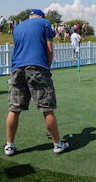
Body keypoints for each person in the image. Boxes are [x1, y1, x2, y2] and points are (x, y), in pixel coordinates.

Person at [4, 9, 69, 156]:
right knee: (47, 108)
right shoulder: (44, 23)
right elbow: (49, 48)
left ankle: (9, 146)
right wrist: (48, 67)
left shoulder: (18, 27)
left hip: (17, 68)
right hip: (37, 67)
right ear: (41, 16)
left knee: (14, 109)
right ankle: (58, 144)